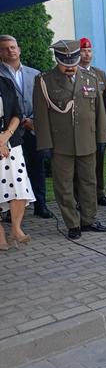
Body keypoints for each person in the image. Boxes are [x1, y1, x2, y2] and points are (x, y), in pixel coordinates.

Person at [33, 40, 106, 239]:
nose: (69, 66)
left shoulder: (91, 78)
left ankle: (89, 220)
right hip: (61, 145)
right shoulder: (44, 80)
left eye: (73, 61)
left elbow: (99, 112)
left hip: (88, 141)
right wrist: (44, 144)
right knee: (64, 186)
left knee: (89, 182)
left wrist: (102, 138)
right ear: (57, 59)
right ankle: (72, 223)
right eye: (64, 61)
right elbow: (41, 116)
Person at [0, 35, 53, 218]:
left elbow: (43, 102)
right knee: (10, 172)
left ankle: (41, 205)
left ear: (19, 49)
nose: (10, 51)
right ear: (0, 52)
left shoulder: (35, 73)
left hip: (31, 127)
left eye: (13, 47)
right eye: (5, 48)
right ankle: (9, 212)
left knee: (37, 166)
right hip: (9, 131)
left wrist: (33, 122)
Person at [77, 37, 106, 206]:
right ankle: (81, 198)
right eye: (83, 51)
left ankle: (99, 194)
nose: (87, 54)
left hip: (99, 128)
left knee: (98, 163)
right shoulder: (73, 73)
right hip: (81, 130)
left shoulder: (99, 74)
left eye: (89, 50)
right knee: (82, 165)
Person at [0, 75, 34, 248]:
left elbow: (16, 113)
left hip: (11, 143)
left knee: (19, 188)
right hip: (2, 144)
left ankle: (15, 229)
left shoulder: (5, 82)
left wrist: (6, 136)